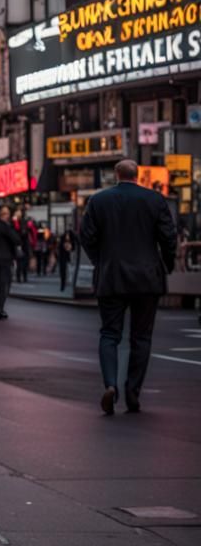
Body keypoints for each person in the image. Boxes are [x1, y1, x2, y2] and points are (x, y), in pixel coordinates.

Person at [80, 160, 176, 415]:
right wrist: (167, 264)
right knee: (141, 337)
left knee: (110, 334)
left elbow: (86, 236)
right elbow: (168, 237)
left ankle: (110, 385)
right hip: (146, 278)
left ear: (116, 175)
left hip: (111, 277)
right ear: (138, 175)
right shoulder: (154, 200)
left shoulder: (99, 201)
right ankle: (133, 393)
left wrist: (100, 260)